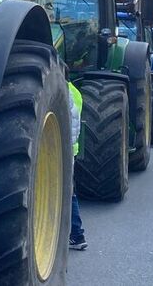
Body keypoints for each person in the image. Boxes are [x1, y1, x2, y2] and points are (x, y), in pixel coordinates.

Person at [67, 79, 87, 251]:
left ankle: (76, 234)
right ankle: (76, 234)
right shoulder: (75, 92)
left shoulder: (65, 92)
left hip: (64, 149)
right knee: (69, 192)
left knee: (66, 192)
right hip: (70, 149)